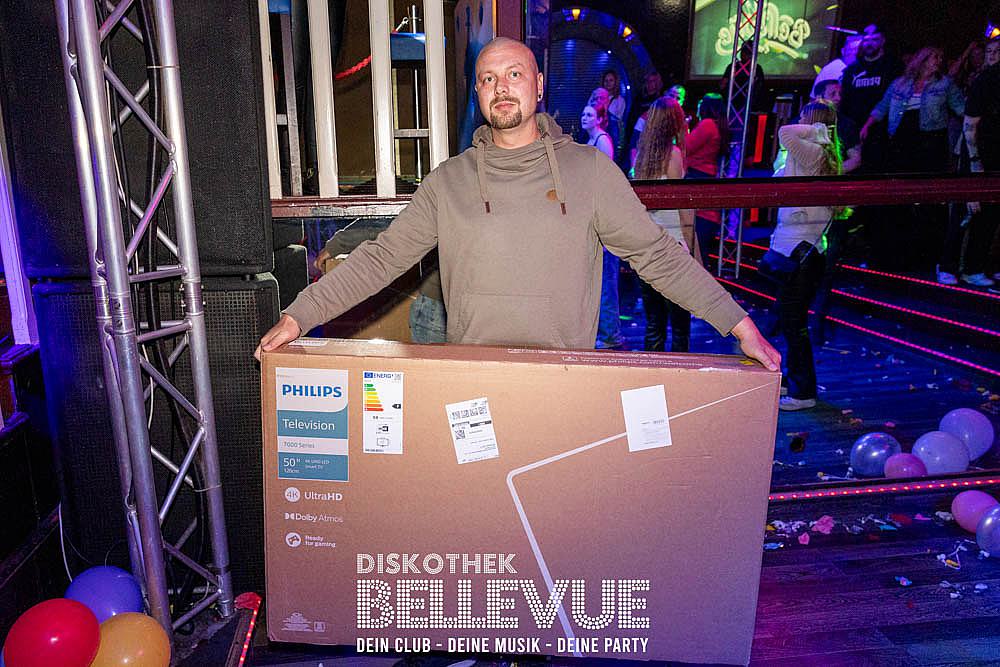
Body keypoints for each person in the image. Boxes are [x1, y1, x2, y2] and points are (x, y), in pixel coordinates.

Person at [256, 37, 780, 372]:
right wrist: (299, 316)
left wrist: (738, 324)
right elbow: (381, 258)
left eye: (513, 74)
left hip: (563, 382)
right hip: (473, 385)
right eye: (488, 78)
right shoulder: (450, 182)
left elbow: (658, 255)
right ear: (478, 93)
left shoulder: (590, 173)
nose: (500, 88)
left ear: (539, 86)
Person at [768, 101, 847, 410]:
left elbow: (785, 132)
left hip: (802, 250)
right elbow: (779, 177)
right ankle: (795, 381)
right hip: (802, 248)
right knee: (790, 322)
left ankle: (803, 392)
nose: (799, 120)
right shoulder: (814, 155)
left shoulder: (814, 151)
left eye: (805, 117)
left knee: (794, 324)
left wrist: (816, 130)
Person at [861, 46, 964, 272]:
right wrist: (868, 125)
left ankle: (923, 255)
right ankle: (890, 252)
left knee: (926, 197)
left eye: (940, 58)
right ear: (922, 60)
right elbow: (882, 106)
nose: (938, 62)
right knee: (898, 195)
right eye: (934, 58)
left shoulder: (945, 84)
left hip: (930, 141)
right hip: (901, 140)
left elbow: (961, 108)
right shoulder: (901, 83)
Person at [634, 98, 695, 352]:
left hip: (649, 247)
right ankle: (679, 375)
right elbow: (682, 210)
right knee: (680, 326)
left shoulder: (642, 157)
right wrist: (693, 252)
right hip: (673, 246)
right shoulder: (673, 155)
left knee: (654, 323)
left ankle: (653, 375)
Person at [579, 103, 622, 348]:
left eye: (590, 115)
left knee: (606, 282)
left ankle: (610, 335)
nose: (584, 117)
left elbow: (604, 182)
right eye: (583, 114)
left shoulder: (603, 141)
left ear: (600, 119)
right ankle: (603, 333)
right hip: (592, 217)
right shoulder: (590, 141)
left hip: (602, 218)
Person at [962, 38, 1000, 287]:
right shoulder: (985, 81)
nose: (992, 55)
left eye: (997, 51)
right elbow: (970, 124)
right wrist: (975, 161)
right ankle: (972, 267)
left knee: (994, 215)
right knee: (982, 213)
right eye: (990, 51)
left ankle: (989, 265)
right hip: (985, 154)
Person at [684, 93, 728, 267]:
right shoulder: (714, 125)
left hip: (698, 178)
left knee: (697, 251)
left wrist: (683, 128)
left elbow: (686, 147)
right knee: (698, 251)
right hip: (702, 177)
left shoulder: (707, 124)